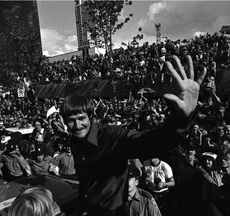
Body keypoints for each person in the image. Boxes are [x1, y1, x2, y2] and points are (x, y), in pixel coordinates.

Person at [59, 55, 206, 215]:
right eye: (71, 121)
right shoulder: (75, 140)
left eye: (81, 119)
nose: (77, 125)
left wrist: (181, 119)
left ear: (90, 117)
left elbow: (150, 142)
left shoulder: (111, 136)